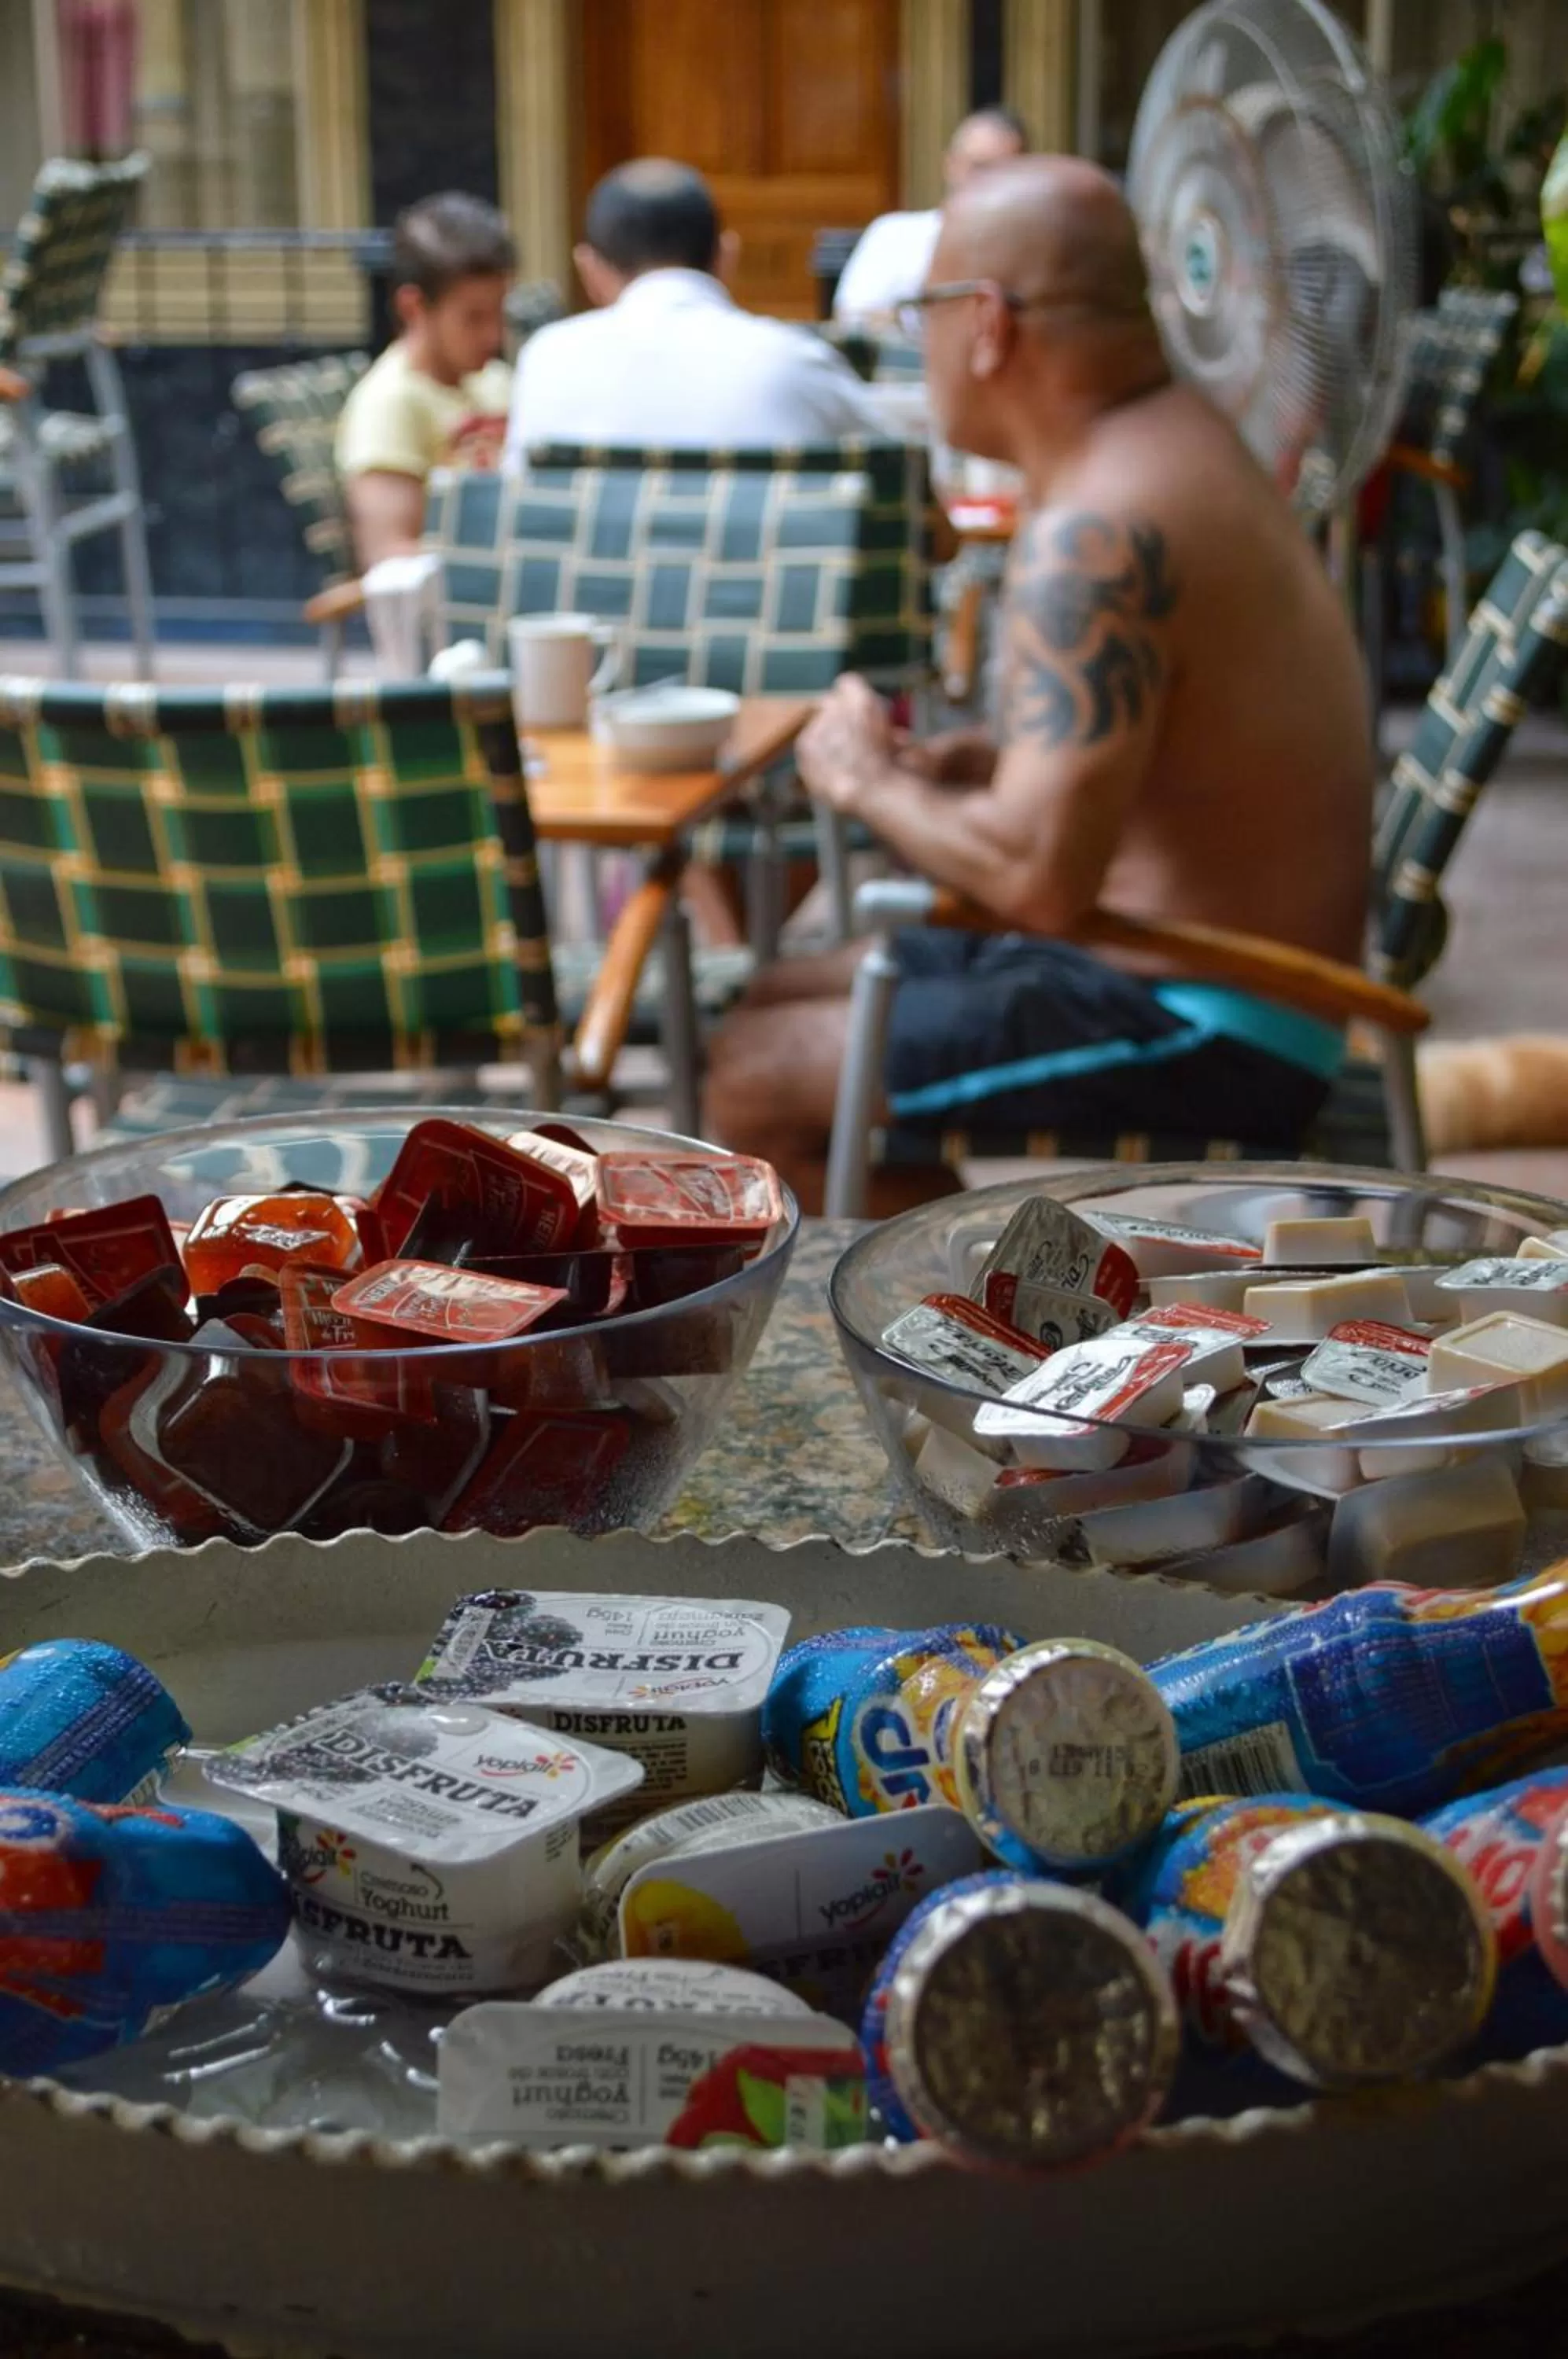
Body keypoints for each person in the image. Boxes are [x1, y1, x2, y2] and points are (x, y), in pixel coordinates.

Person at [705, 157, 1375, 1213]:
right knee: (772, 997)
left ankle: (963, 1340)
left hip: (1210, 1014)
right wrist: (985, 764)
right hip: (1169, 958)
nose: (916, 344)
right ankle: (982, 1306)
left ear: (984, 323)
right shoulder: (1166, 447)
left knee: (756, 1076)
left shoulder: (1101, 524)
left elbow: (1035, 879)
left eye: (920, 311)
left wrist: (864, 776)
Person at [503, 159, 879, 457]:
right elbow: (900, 474)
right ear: (726, 257)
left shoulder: (547, 360)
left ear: (589, 270)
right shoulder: (796, 362)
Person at [337, 192, 514, 569]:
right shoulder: (390, 404)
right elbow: (390, 555)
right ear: (413, 307)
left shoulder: (496, 380)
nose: (494, 336)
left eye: (500, 313)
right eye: (473, 318)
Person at [831, 106, 1029, 327]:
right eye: (978, 166)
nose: (987, 182)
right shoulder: (893, 233)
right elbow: (852, 320)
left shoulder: (1035, 249)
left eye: (1004, 171)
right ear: (951, 164)